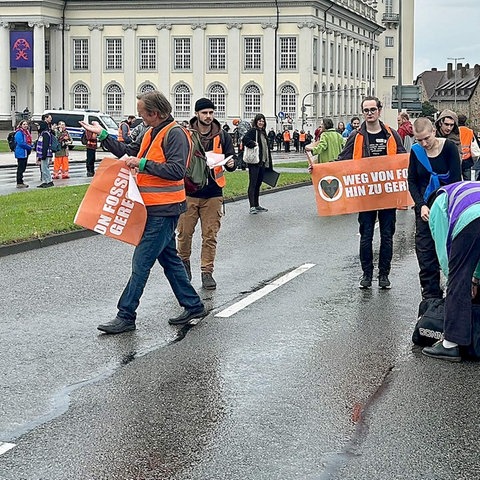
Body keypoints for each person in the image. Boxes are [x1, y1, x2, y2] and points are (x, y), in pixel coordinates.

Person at [79, 90, 206, 334]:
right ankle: (193, 305)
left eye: (142, 114)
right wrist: (103, 135)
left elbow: (177, 170)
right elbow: (129, 151)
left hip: (165, 209)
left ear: (155, 113)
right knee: (170, 261)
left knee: (141, 262)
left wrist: (143, 164)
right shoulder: (151, 131)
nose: (140, 118)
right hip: (154, 208)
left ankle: (126, 314)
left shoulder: (175, 134)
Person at [337, 96, 406, 289]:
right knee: (366, 235)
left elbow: (402, 159)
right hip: (365, 194)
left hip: (387, 194)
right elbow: (343, 159)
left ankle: (384, 275)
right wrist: (320, 170)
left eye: (372, 110)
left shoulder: (391, 135)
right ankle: (366, 275)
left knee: (387, 235)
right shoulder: (356, 136)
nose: (369, 113)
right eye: (366, 110)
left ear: (379, 111)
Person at [176, 97, 236, 290]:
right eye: (204, 113)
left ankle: (207, 272)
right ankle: (184, 265)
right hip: (189, 191)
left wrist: (232, 164)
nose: (208, 116)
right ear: (197, 114)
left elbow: (232, 158)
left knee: (209, 235)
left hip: (213, 192)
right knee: (184, 233)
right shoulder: (186, 135)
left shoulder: (223, 136)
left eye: (211, 113)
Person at [422, 181, 480, 362]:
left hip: (471, 219)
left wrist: (459, 278)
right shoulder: (469, 187)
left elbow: (444, 251)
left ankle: (450, 344)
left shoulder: (439, 203)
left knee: (459, 276)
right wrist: (477, 278)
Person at [407, 117, 462, 299]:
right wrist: (421, 205)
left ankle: (454, 296)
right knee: (425, 255)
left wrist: (444, 209)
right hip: (424, 207)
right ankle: (431, 299)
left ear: (433, 132)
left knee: (449, 253)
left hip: (447, 206)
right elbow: (412, 181)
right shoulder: (416, 152)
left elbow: (455, 180)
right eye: (419, 140)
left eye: (426, 139)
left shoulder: (449, 148)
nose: (424, 143)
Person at [242, 113, 274, 214]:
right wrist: (253, 144)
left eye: (263, 121)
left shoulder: (263, 132)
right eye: (259, 121)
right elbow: (245, 139)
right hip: (255, 162)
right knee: (253, 183)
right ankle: (252, 206)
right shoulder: (253, 131)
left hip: (262, 162)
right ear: (256, 122)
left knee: (258, 184)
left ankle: (256, 204)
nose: (261, 122)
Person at [458, 114, 479, 181]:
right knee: (467, 181)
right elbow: (476, 143)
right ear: (465, 121)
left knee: (457, 181)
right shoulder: (470, 131)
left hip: (457, 158)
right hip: (467, 159)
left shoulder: (455, 131)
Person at [36, 114, 54, 188]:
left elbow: (45, 145)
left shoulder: (45, 134)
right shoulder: (43, 133)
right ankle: (45, 181)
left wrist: (43, 155)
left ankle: (49, 181)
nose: (38, 128)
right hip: (44, 153)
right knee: (43, 168)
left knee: (45, 168)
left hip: (45, 153)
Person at [13, 120, 33, 188]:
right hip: (21, 152)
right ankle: (19, 182)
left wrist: (31, 145)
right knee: (20, 167)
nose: (25, 125)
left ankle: (21, 181)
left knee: (23, 167)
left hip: (25, 152)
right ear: (21, 125)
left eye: (26, 124)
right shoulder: (19, 132)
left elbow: (28, 141)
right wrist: (29, 147)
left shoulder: (26, 132)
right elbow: (21, 143)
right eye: (24, 124)